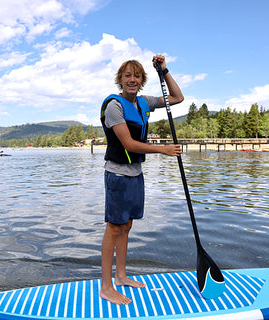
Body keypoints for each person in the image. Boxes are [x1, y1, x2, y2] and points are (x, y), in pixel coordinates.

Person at [99, 54, 184, 305]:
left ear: (142, 80)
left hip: (135, 174)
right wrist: (163, 149)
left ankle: (122, 276)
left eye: (137, 76)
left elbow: (178, 98)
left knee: (127, 226)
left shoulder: (144, 103)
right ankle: (106, 287)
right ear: (120, 80)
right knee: (114, 228)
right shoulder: (114, 106)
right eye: (127, 76)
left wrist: (165, 71)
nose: (132, 80)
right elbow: (128, 143)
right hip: (117, 174)